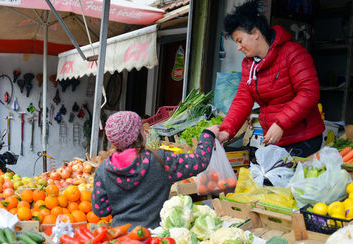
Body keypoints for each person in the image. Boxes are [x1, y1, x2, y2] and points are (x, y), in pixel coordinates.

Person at [216, 0, 324, 157]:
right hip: (276, 141)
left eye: (239, 41)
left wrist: (281, 124)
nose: (238, 47)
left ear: (255, 33)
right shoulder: (249, 65)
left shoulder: (293, 53)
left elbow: (309, 92)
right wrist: (226, 131)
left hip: (304, 139)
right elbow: (242, 100)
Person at [91, 111, 219, 229]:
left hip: (120, 238)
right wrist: (208, 135)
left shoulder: (103, 169)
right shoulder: (159, 160)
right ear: (137, 137)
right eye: (142, 129)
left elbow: (100, 210)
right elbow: (199, 162)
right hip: (153, 239)